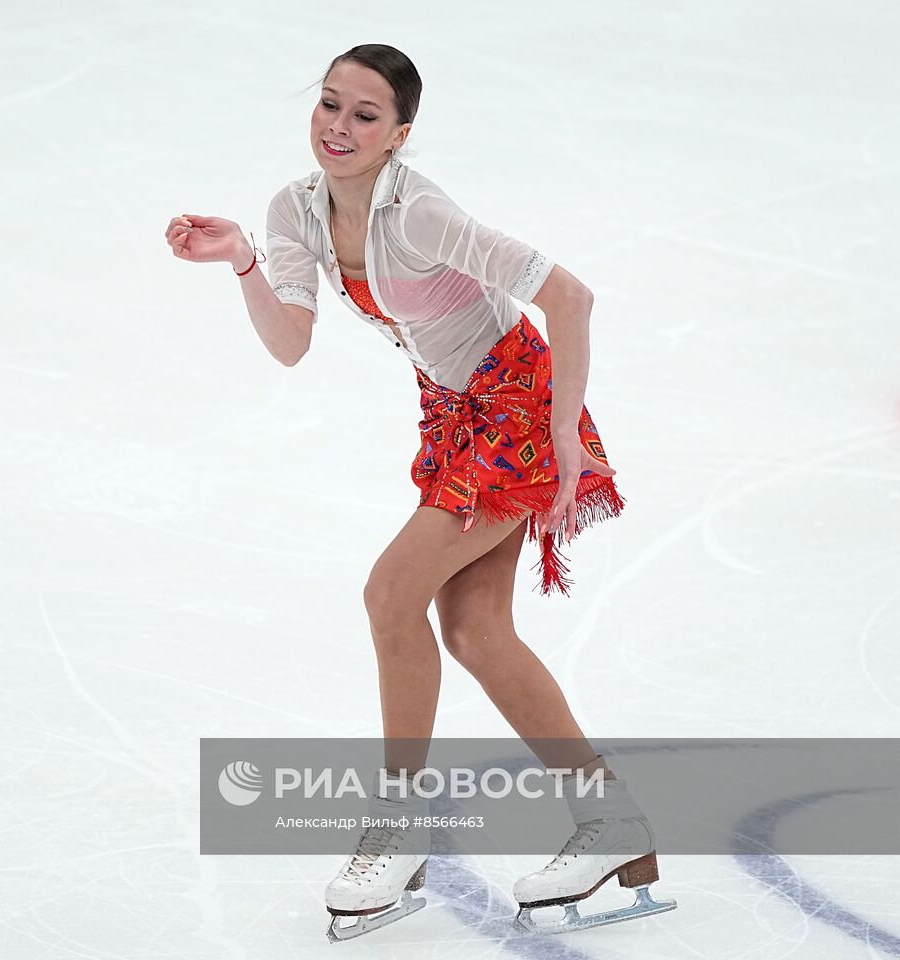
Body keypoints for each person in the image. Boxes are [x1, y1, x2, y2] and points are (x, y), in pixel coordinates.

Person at [164, 44, 674, 942]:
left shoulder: (423, 213)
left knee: (390, 594)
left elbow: (573, 298)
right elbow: (290, 342)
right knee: (475, 631)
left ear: (399, 135)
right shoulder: (296, 211)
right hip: (453, 415)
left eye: (365, 115)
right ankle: (613, 823)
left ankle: (400, 828)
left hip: (515, 406)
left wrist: (561, 438)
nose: (339, 126)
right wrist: (245, 259)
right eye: (329, 104)